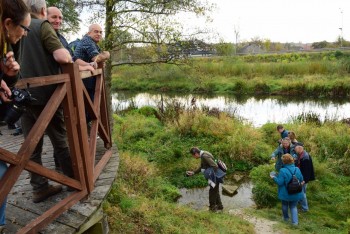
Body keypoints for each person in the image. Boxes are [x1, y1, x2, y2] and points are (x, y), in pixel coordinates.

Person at [19, 0, 74, 203]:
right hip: (47, 97)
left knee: (32, 145)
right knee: (60, 141)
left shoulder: (15, 26)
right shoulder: (42, 25)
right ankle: (73, 181)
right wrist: (67, 54)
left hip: (23, 97)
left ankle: (39, 187)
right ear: (43, 10)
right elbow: (62, 57)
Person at [0, 0, 30, 230]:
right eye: (25, 28)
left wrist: (7, 77)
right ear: (9, 23)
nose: (26, 34)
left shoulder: (4, 42)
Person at [46, 6, 94, 72]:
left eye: (60, 18)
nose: (58, 21)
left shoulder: (62, 39)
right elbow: (64, 60)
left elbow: (73, 58)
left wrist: (87, 64)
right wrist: (83, 68)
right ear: (45, 17)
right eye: (54, 17)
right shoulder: (44, 36)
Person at [73, 24, 110, 105]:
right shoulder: (88, 41)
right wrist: (107, 55)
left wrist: (101, 60)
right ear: (89, 33)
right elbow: (96, 58)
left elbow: (99, 61)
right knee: (89, 108)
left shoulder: (93, 43)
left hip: (87, 80)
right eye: (96, 32)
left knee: (92, 107)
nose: (99, 34)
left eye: (101, 32)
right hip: (84, 81)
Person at [186, 147, 226, 212]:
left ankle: (212, 208)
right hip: (214, 176)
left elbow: (215, 166)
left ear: (196, 153)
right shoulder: (204, 154)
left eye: (193, 155)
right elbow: (202, 166)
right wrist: (194, 172)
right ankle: (220, 206)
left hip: (213, 177)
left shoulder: (204, 156)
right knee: (215, 191)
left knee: (212, 192)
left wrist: (209, 174)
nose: (193, 157)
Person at [270, 153, 304, 226]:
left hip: (285, 193)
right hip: (296, 192)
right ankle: (295, 223)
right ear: (291, 160)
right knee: (293, 207)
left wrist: (273, 177)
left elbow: (280, 182)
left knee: (285, 205)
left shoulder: (283, 170)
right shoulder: (297, 169)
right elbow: (301, 179)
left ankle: (286, 218)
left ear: (284, 161)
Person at [294, 143, 315, 212]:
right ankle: (301, 205)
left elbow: (307, 171)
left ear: (300, 148)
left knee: (302, 193)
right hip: (301, 177)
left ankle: (305, 208)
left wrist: (304, 181)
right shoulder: (301, 155)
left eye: (295, 148)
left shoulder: (305, 157)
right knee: (302, 192)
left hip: (303, 178)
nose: (295, 150)